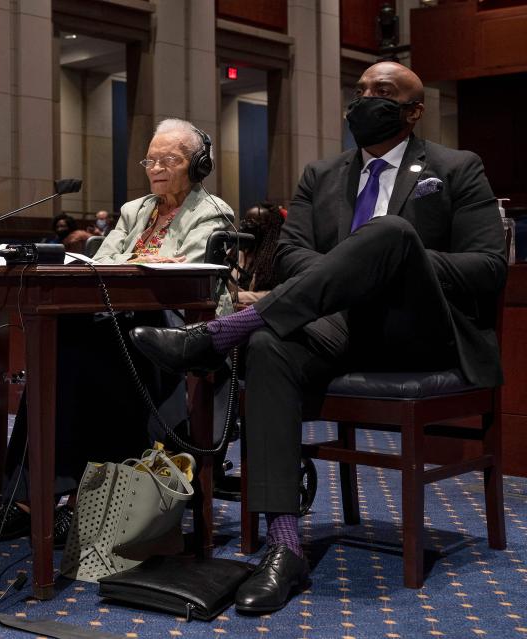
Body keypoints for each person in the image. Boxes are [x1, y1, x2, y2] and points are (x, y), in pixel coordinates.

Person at [129, 62, 507, 614]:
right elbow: (289, 254)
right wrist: (347, 275)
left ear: (415, 110)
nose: (365, 101)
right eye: (359, 92)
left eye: (383, 93)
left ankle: (215, 336)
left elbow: (487, 267)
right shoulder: (321, 174)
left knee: (390, 234)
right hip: (336, 327)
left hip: (421, 332)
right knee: (268, 348)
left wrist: (391, 261)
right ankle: (285, 546)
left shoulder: (456, 167)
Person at [0, 117, 235, 545]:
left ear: (197, 164)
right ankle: (40, 497)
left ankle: (60, 498)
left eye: (170, 159)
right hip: (119, 319)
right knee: (60, 344)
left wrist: (138, 267)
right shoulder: (134, 210)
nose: (156, 168)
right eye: (151, 159)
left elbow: (190, 276)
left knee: (86, 350)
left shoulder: (212, 211)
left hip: (177, 327)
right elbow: (103, 264)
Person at [229, 201, 285, 305]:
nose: (245, 227)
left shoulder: (276, 258)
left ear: (267, 229)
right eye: (244, 221)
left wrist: (236, 296)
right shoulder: (236, 253)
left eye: (251, 223)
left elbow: (277, 294)